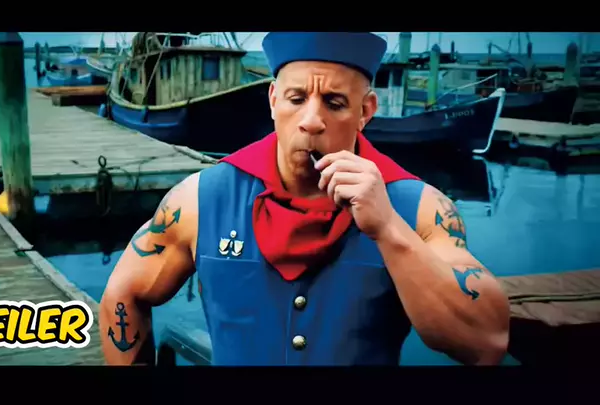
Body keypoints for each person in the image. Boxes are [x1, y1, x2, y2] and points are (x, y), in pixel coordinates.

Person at [99, 32, 510, 366]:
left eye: (334, 103)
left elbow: (485, 343)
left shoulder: (419, 209)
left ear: (365, 111)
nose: (312, 121)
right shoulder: (201, 199)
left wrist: (388, 230)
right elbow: (123, 294)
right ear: (273, 100)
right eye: (297, 99)